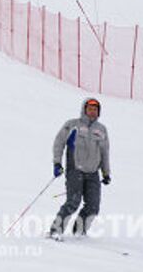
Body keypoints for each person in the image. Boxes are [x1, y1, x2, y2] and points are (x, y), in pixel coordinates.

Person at [49, 98, 111, 239]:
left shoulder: (101, 130)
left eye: (95, 109)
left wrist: (106, 173)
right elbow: (59, 143)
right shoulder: (72, 125)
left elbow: (105, 153)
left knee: (93, 206)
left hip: (93, 172)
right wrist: (57, 163)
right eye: (89, 109)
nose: (92, 112)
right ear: (84, 109)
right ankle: (55, 231)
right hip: (75, 169)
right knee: (73, 202)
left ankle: (80, 232)